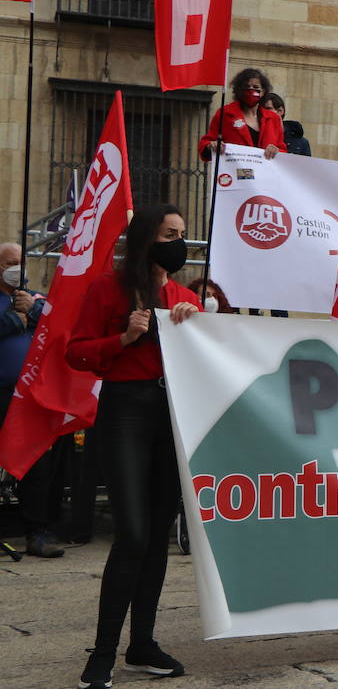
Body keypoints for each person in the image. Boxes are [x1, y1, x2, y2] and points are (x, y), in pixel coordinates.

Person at [66, 204, 203, 687]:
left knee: (158, 537)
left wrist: (197, 323)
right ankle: (102, 654)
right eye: (170, 232)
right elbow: (76, 350)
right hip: (125, 411)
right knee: (133, 534)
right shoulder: (107, 288)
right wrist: (123, 339)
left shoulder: (187, 296)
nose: (178, 241)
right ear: (146, 238)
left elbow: (210, 356)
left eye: (183, 233)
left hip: (172, 415)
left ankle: (141, 643)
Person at [0, 242, 66, 559]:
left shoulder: (35, 299)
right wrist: (13, 321)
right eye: (11, 262)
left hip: (29, 395)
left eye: (21, 262)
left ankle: (37, 532)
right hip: (1, 391)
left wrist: (34, 311)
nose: (18, 268)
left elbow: (60, 329)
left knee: (37, 465)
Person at [198, 68, 284, 161]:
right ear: (239, 90)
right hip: (233, 173)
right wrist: (211, 145)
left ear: (263, 91)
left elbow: (283, 150)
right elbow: (205, 144)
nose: (251, 91)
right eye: (247, 87)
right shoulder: (225, 114)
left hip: (264, 173)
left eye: (256, 87)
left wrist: (277, 151)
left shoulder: (273, 118)